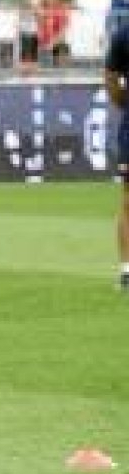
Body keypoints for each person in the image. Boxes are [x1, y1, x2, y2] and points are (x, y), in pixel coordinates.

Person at [104, 21, 129, 289]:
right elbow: (111, 76)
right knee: (128, 201)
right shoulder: (124, 33)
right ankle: (127, 270)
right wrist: (123, 101)